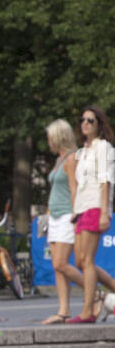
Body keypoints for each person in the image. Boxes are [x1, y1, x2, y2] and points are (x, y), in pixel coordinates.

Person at [69, 105, 115, 323]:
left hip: (96, 206)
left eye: (90, 120)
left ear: (99, 125)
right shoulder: (83, 151)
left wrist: (105, 212)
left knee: (87, 260)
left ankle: (88, 311)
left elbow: (105, 180)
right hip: (81, 208)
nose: (85, 124)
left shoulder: (103, 147)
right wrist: (74, 210)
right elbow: (80, 184)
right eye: (82, 120)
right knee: (79, 261)